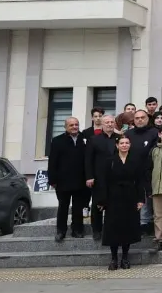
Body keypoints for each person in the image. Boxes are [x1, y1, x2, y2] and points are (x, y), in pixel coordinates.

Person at [94, 136, 145, 270]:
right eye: (121, 143)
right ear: (117, 145)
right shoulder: (109, 161)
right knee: (113, 227)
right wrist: (102, 200)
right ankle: (114, 258)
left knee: (127, 227)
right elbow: (103, 182)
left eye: (127, 143)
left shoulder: (136, 160)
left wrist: (140, 199)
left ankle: (125, 258)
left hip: (130, 196)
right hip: (113, 197)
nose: (124, 145)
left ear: (130, 145)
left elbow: (140, 181)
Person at [48, 117, 88, 241]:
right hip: (62, 181)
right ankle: (61, 231)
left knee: (78, 207)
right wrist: (52, 180)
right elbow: (52, 162)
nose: (74, 127)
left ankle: (77, 230)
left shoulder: (85, 140)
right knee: (63, 207)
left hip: (80, 181)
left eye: (76, 124)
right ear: (66, 127)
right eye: (71, 125)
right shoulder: (57, 141)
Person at [85, 114, 118, 242]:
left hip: (115, 177)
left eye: (111, 122)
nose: (109, 124)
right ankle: (97, 230)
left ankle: (111, 228)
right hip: (99, 178)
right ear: (102, 124)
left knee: (114, 205)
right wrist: (89, 176)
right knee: (97, 205)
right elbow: (88, 160)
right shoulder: (94, 139)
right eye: (107, 122)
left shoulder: (120, 138)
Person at [126, 109, 158, 232]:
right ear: (133, 120)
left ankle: (148, 224)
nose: (140, 120)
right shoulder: (128, 134)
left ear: (147, 119)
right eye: (137, 118)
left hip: (151, 171)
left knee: (150, 197)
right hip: (132, 172)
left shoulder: (154, 132)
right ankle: (136, 223)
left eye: (142, 117)